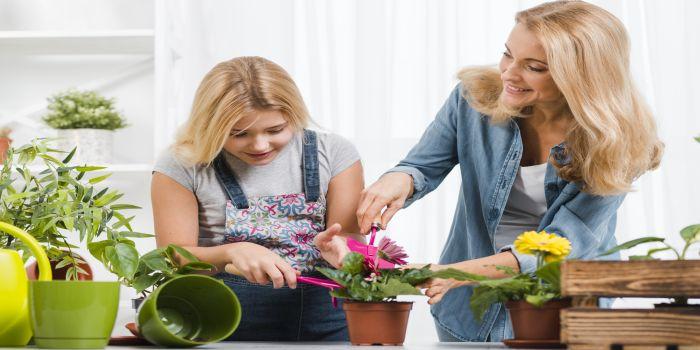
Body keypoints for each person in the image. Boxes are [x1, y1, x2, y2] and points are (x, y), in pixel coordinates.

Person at [356, 0, 663, 342]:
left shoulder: (615, 142)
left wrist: (454, 273)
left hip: (565, 308)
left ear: (581, 77)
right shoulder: (473, 99)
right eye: (507, 54)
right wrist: (399, 180)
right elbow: (421, 166)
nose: (508, 73)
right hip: (468, 309)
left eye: (533, 67)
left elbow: (561, 243)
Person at [151, 56, 363, 341]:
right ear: (211, 126)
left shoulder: (335, 153)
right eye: (239, 134)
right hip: (224, 321)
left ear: (294, 115)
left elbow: (351, 240)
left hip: (331, 320)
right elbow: (173, 257)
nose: (260, 145)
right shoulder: (182, 163)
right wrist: (231, 252)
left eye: (275, 130)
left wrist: (343, 249)